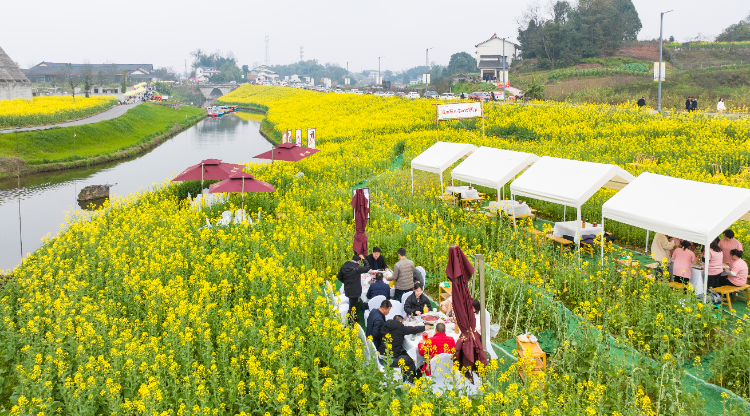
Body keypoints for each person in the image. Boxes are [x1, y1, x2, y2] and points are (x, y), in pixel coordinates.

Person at [379, 314, 426, 383]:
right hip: (389, 360)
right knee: (410, 361)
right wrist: (424, 327)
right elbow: (413, 329)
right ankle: (408, 381)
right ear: (401, 322)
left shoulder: (386, 325)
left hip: (381, 355)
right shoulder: (400, 328)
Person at [337, 253, 371, 326]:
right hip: (355, 290)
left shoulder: (345, 265)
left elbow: (339, 276)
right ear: (358, 261)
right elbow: (367, 267)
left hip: (348, 289)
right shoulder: (357, 267)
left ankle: (354, 318)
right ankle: (351, 322)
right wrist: (363, 259)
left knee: (352, 304)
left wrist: (346, 282)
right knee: (353, 306)